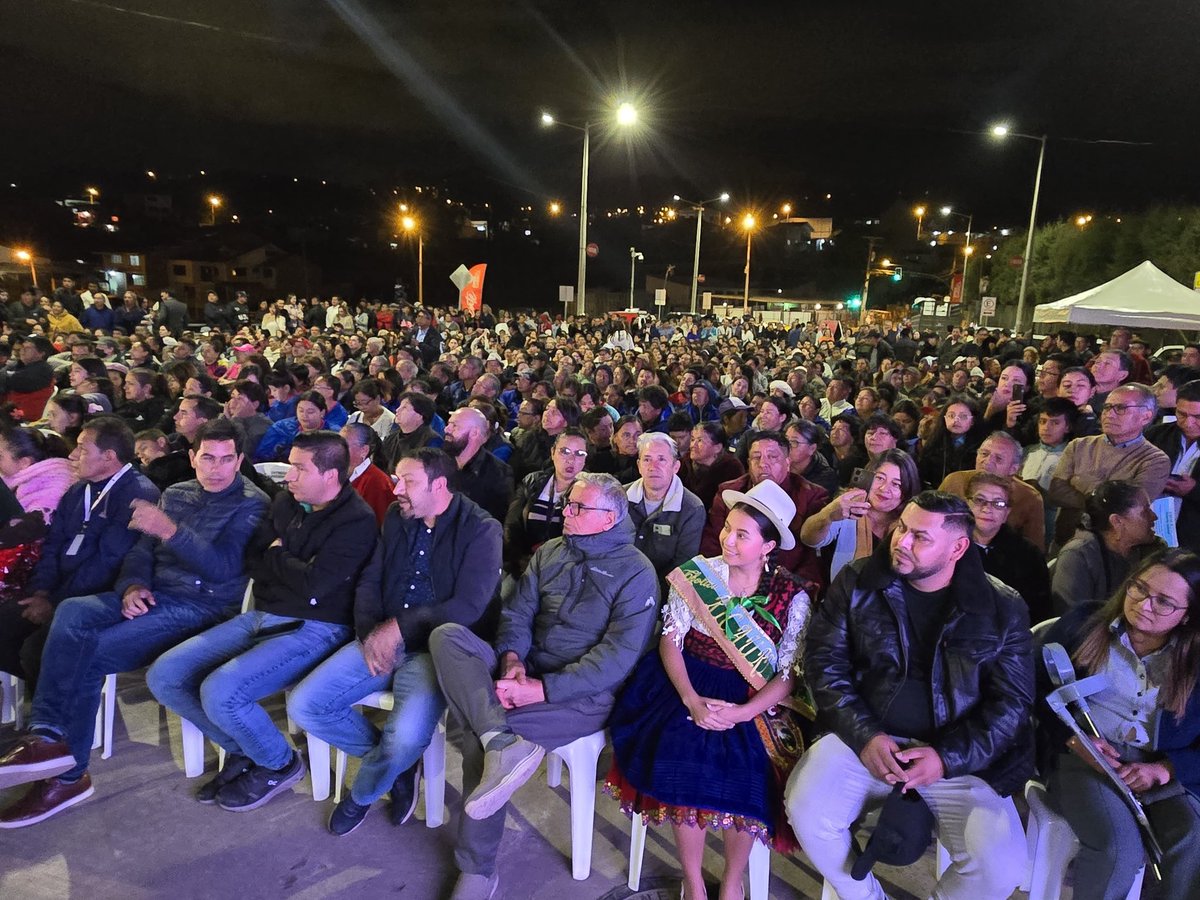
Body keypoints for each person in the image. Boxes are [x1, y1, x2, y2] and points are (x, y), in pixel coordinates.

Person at [0, 419, 269, 826]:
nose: (216, 468)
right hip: (155, 595)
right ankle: (47, 734)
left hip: (203, 607)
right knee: (73, 612)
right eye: (208, 457)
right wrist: (133, 585)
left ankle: (68, 775)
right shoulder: (177, 493)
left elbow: (223, 567)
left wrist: (171, 531)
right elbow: (140, 550)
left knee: (88, 652)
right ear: (192, 457)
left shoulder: (252, 502)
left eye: (227, 459)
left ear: (240, 460)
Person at [786, 491, 1032, 900]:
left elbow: (1012, 705)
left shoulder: (1001, 606)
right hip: (866, 738)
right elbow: (824, 667)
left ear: (957, 548)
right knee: (807, 811)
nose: (900, 541)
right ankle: (866, 897)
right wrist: (864, 735)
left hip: (957, 756)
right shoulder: (859, 581)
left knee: (1002, 867)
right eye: (902, 527)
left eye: (920, 537)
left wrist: (946, 757)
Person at [427, 472, 657, 900]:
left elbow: (616, 660)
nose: (565, 512)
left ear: (608, 519)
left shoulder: (636, 574)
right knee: (447, 637)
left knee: (476, 741)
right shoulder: (552, 552)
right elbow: (517, 613)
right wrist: (513, 659)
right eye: (567, 504)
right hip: (526, 669)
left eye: (577, 508)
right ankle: (501, 740)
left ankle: (477, 869)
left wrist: (541, 690)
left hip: (581, 695)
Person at [146, 432, 378, 811]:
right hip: (263, 613)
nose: (289, 477)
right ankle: (245, 751)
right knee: (165, 674)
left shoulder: (357, 521)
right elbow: (254, 561)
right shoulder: (287, 502)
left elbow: (314, 586)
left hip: (317, 627)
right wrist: (286, 563)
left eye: (300, 469)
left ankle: (279, 763)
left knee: (222, 691)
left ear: (331, 476)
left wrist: (279, 558)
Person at [606, 480, 816, 900]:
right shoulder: (697, 575)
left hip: (754, 699)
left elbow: (788, 674)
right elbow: (671, 640)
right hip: (687, 683)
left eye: (742, 535)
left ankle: (732, 881)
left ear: (767, 547)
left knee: (754, 774)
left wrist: (742, 713)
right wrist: (690, 700)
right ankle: (695, 881)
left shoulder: (792, 596)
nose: (728, 540)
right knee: (684, 757)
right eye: (728, 529)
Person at [288, 447, 502, 835]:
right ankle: (398, 768)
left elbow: (468, 607)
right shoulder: (397, 515)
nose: (396, 488)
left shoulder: (481, 528)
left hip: (435, 650)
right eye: (397, 478)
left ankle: (364, 791)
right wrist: (370, 633)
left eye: (408, 481)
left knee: (404, 736)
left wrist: (398, 629)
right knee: (305, 705)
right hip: (381, 634)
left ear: (439, 485)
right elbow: (371, 576)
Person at [1037, 549, 1200, 900]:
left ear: (1187, 616)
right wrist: (1072, 739)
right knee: (1117, 850)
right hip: (1085, 755)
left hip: (1156, 763)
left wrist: (1166, 769)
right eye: (1138, 588)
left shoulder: (1194, 659)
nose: (1143, 605)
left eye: (1164, 602)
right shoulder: (1086, 623)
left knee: (1192, 838)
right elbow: (1029, 689)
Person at [0, 417, 159, 687]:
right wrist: (41, 591)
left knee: (34, 647)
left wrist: (54, 601)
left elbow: (107, 563)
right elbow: (53, 545)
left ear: (109, 456)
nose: (73, 455)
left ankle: (59, 713)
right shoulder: (77, 490)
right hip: (57, 591)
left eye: (83, 449)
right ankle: (48, 702)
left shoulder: (137, 494)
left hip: (98, 596)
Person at [1049, 384, 1171, 547]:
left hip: (1112, 550)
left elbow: (1126, 507)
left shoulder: (1154, 460)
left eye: (1120, 408)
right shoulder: (1079, 445)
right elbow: (1056, 491)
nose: (1109, 415)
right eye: (1107, 407)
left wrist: (1080, 491)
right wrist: (1101, 498)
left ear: (1146, 416)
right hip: (1064, 539)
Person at [701, 431, 828, 587]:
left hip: (785, 583)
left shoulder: (810, 496)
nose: (762, 464)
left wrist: (789, 590)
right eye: (756, 457)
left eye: (772, 457)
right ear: (748, 462)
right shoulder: (729, 491)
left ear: (787, 463)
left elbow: (811, 559)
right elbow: (712, 542)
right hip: (729, 579)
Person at [800, 449, 920, 583]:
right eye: (880, 478)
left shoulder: (912, 522)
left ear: (907, 490)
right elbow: (808, 538)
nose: (884, 489)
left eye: (896, 484)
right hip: (844, 595)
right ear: (868, 477)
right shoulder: (849, 505)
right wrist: (828, 514)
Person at [1052, 481, 1163, 615]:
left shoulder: (1152, 551)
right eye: (1145, 511)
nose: (1154, 517)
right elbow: (1070, 620)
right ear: (1117, 521)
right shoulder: (1078, 555)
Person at [938, 430, 1046, 551]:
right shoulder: (954, 481)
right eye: (984, 454)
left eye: (998, 459)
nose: (988, 461)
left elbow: (1034, 551)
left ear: (1013, 469)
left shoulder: (1030, 497)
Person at [964, 472, 1051, 622]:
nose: (987, 509)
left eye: (998, 503)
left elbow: (1040, 610)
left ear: (1006, 513)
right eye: (979, 500)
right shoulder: (949, 548)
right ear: (966, 504)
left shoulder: (1028, 554)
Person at [504, 428, 587, 579]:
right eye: (565, 451)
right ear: (553, 452)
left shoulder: (590, 492)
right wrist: (519, 558)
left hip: (565, 571)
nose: (571, 459)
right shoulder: (532, 481)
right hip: (523, 564)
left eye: (579, 454)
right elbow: (512, 524)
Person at [625, 432, 706, 586]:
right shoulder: (620, 498)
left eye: (661, 460)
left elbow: (683, 565)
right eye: (647, 459)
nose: (652, 467)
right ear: (639, 465)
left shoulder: (692, 508)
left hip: (661, 588)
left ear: (675, 466)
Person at [1148, 379, 1200, 554]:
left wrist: (1193, 491)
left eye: (1198, 417)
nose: (1188, 423)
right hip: (1152, 533)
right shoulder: (1156, 435)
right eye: (1182, 414)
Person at [442, 406, 514, 523]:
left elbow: (492, 521)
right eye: (448, 424)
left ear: (474, 433)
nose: (446, 429)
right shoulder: (437, 462)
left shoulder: (498, 473)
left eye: (454, 425)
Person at [680, 421, 746, 509]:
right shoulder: (684, 462)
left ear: (717, 448)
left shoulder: (732, 468)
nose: (693, 445)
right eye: (692, 439)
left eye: (700, 440)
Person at [342, 422, 393, 526]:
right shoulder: (338, 473)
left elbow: (380, 526)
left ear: (364, 450)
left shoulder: (378, 483)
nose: (337, 449)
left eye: (344, 445)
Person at [380, 391, 442, 472]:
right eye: (399, 406)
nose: (397, 410)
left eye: (404, 408)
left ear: (419, 415)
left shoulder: (433, 441)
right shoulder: (391, 438)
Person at [785, 419, 838, 496]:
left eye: (794, 442)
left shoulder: (825, 477)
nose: (787, 446)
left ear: (812, 448)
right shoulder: (778, 462)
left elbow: (801, 503)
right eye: (786, 439)